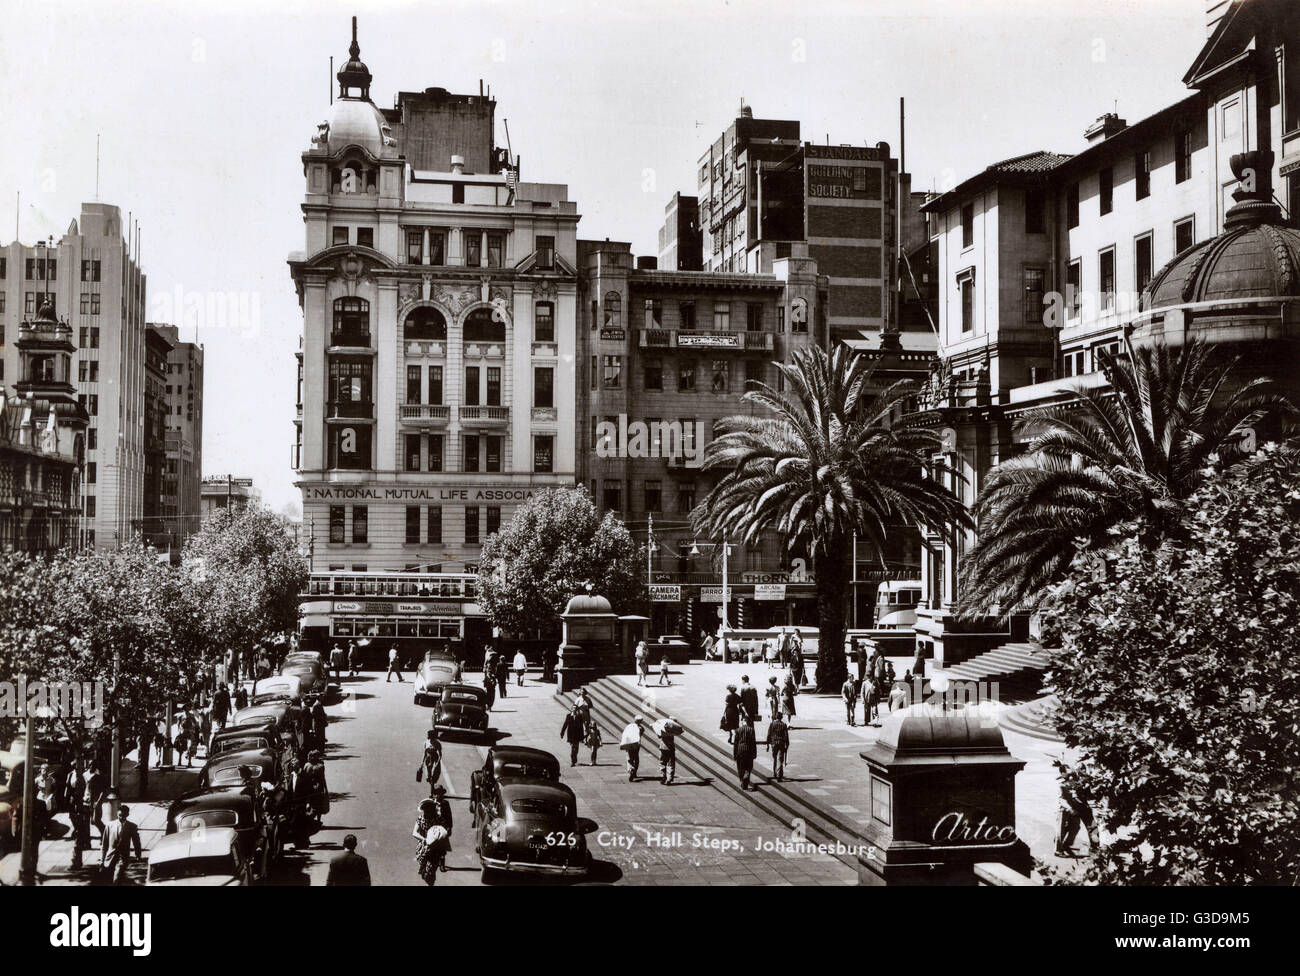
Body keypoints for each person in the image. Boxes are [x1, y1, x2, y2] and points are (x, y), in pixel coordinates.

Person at [100, 805, 142, 884]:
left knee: (117, 878)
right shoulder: (109, 826)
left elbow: (136, 842)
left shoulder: (132, 826)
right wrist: (102, 860)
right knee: (108, 880)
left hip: (122, 857)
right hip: (110, 857)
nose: (121, 817)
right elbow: (104, 844)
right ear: (117, 814)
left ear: (127, 815)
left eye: (123, 816)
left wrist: (138, 854)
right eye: (119, 815)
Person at [733, 714, 758, 791]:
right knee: (748, 767)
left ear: (742, 721)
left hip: (740, 750)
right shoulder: (751, 730)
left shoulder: (738, 730)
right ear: (748, 722)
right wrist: (755, 753)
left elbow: (735, 744)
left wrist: (735, 754)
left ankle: (742, 780)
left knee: (740, 767)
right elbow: (753, 743)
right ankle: (746, 778)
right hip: (749, 750)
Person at [766, 712, 790, 781]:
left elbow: (769, 734)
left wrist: (767, 744)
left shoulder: (772, 724)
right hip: (781, 744)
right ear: (781, 717)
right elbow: (786, 736)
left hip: (774, 744)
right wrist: (787, 744)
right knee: (780, 759)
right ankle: (779, 775)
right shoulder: (784, 725)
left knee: (775, 758)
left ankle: (774, 773)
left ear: (776, 717)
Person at [620, 717, 645, 782]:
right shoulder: (641, 728)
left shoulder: (629, 726)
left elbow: (625, 734)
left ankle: (631, 769)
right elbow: (640, 734)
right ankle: (635, 772)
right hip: (636, 744)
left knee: (629, 758)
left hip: (629, 743)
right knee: (636, 758)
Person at [85, 763, 107, 840]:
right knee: (93, 821)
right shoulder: (86, 776)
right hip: (89, 801)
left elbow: (103, 791)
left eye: (93, 766)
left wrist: (98, 802)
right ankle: (104, 834)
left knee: (96, 820)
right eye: (90, 765)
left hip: (95, 801)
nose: (91, 767)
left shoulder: (97, 778)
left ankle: (105, 834)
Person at [658, 717, 681, 785]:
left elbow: (659, 736)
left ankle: (662, 776)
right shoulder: (673, 730)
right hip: (670, 748)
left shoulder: (663, 728)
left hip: (663, 747)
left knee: (662, 762)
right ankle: (669, 779)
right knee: (670, 763)